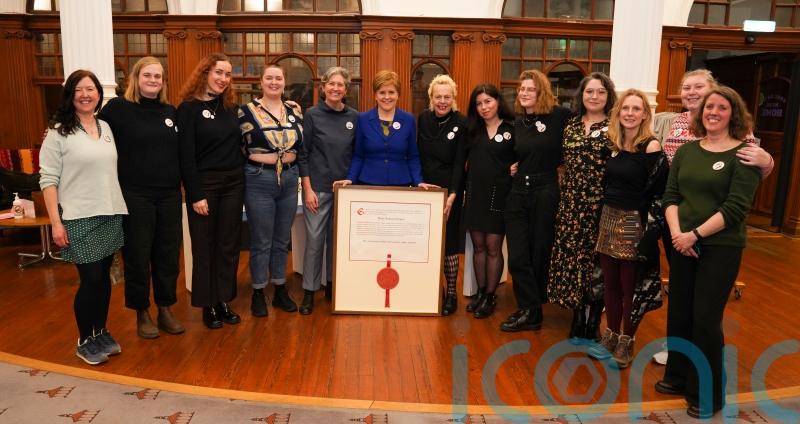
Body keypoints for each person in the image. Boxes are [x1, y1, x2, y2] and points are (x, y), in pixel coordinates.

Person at [650, 69, 774, 365]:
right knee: (681, 300)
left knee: (705, 307)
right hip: (678, 220)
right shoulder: (677, 121)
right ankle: (678, 357)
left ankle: (700, 367)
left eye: (699, 87)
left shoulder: (737, 130)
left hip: (714, 230)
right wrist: (678, 231)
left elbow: (749, 173)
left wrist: (769, 160)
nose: (692, 92)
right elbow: (671, 176)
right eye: (686, 87)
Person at [657, 86, 761, 419]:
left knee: (705, 318)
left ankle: (707, 393)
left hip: (720, 246)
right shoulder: (687, 151)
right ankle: (677, 376)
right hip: (682, 242)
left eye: (721, 107)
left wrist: (695, 235)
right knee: (680, 313)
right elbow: (671, 196)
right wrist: (678, 234)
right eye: (709, 107)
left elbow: (736, 208)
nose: (713, 112)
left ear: (734, 114)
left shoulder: (745, 155)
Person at [39, 69, 128, 365]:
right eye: (79, 89)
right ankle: (84, 340)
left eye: (91, 89)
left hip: (110, 212)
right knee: (90, 280)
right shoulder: (58, 132)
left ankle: (100, 332)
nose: (85, 95)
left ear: (99, 94)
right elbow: (48, 180)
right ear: (70, 95)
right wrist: (56, 222)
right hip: (78, 216)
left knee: (103, 279)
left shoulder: (106, 127)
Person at [98, 56, 184, 339]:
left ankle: (165, 308)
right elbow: (91, 131)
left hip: (169, 195)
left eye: (158, 76)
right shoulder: (117, 109)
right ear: (135, 78)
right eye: (147, 75)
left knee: (168, 255)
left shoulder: (170, 111)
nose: (153, 80)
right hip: (135, 195)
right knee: (138, 254)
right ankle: (141, 311)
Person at [587, 89, 666, 368]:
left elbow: (658, 193)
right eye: (625, 108)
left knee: (629, 286)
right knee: (609, 282)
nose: (630, 113)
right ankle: (610, 334)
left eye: (636, 109)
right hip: (608, 217)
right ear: (618, 112)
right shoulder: (614, 144)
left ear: (645, 114)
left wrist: (649, 231)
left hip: (633, 221)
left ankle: (627, 339)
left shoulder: (651, 146)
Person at [548, 72, 618, 343]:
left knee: (597, 264)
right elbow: (557, 160)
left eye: (601, 91)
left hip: (601, 204)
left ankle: (593, 320)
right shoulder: (571, 125)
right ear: (582, 95)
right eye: (590, 91)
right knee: (574, 260)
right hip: (571, 204)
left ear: (608, 96)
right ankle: (577, 315)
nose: (594, 96)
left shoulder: (615, 126)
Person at [177, 53, 244, 330]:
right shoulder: (188, 109)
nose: (223, 79)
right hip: (204, 185)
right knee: (204, 247)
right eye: (218, 72)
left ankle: (223, 300)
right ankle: (208, 304)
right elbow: (185, 156)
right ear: (205, 73)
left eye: (228, 74)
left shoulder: (230, 108)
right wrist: (195, 194)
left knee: (228, 246)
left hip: (234, 184)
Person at [501, 70, 571, 332]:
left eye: (531, 89)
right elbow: (518, 153)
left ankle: (532, 311)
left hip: (545, 192)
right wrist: (514, 165)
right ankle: (530, 308)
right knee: (517, 255)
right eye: (522, 89)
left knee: (540, 252)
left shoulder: (560, 116)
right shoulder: (518, 122)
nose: (524, 93)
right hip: (518, 192)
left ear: (542, 92)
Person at [240, 64, 304, 317]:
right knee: (261, 239)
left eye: (279, 78)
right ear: (261, 81)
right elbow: (237, 146)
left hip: (289, 178)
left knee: (281, 239)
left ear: (284, 82)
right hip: (259, 178)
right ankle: (258, 291)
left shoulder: (294, 110)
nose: (274, 82)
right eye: (269, 78)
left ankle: (279, 288)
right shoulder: (245, 111)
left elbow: (302, 145)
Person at [297, 67, 358, 315]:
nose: (335, 88)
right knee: (314, 242)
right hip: (318, 191)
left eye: (340, 84)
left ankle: (334, 286)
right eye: (331, 84)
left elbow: (357, 154)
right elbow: (303, 154)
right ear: (323, 87)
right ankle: (309, 292)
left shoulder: (354, 117)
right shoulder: (312, 114)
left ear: (346, 89)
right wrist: (307, 189)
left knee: (338, 242)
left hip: (344, 192)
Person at [462, 84, 515, 319]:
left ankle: (491, 296)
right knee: (479, 247)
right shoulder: (471, 130)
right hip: (475, 194)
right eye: (479, 103)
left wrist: (518, 166)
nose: (484, 107)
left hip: (500, 195)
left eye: (488, 101)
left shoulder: (512, 128)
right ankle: (481, 293)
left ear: (498, 101)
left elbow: (525, 155)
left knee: (493, 247)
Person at [416, 74, 468, 315]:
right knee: (425, 240)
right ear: (431, 97)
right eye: (438, 97)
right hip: (424, 190)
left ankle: (451, 293)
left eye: (447, 97)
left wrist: (454, 193)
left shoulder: (461, 122)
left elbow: (459, 162)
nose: (443, 101)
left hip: (449, 192)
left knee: (449, 243)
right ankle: (429, 288)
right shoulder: (423, 119)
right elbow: (417, 155)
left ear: (453, 98)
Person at [337, 70, 430, 188]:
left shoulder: (408, 120)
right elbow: (358, 155)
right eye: (382, 92)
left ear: (398, 94)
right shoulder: (363, 119)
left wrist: (418, 181)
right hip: (368, 184)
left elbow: (412, 156)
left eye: (391, 92)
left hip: (401, 185)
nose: (387, 97)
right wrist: (350, 179)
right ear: (375, 95)